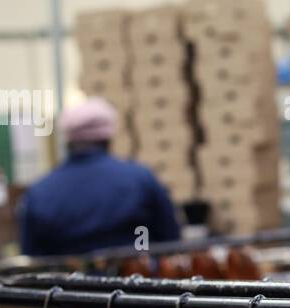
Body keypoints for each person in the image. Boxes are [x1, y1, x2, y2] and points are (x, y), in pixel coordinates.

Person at [18, 97, 181, 257]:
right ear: (108, 138)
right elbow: (171, 240)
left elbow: (32, 257)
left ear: (67, 141)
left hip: (66, 283)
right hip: (133, 281)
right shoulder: (140, 179)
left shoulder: (39, 193)